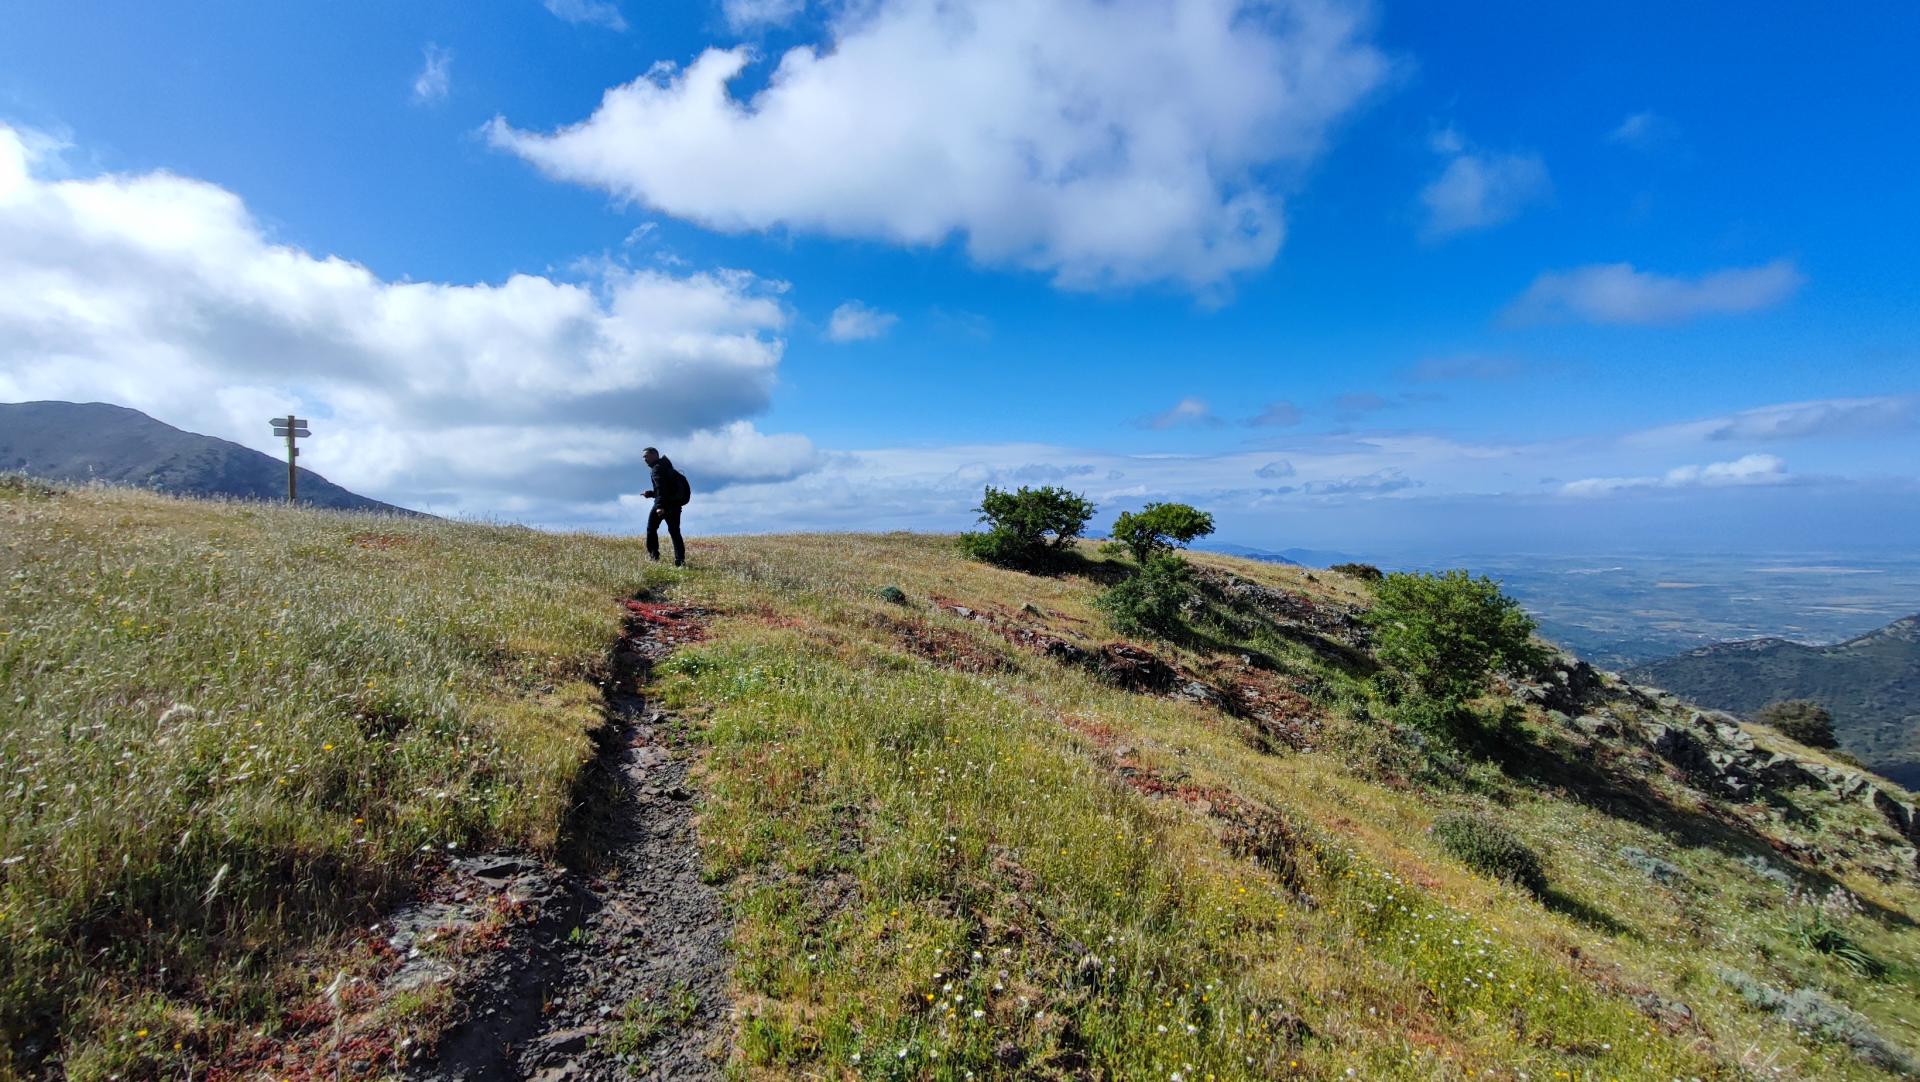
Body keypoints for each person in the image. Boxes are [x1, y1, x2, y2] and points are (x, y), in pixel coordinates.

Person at [641, 447, 689, 566]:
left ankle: (654, 557)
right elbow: (665, 489)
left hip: (664, 505)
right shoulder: (666, 467)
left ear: (654, 455)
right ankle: (680, 561)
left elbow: (661, 489)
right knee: (675, 532)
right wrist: (650, 494)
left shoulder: (657, 469)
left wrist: (659, 506)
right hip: (675, 505)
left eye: (646, 456)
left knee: (651, 529)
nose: (644, 459)